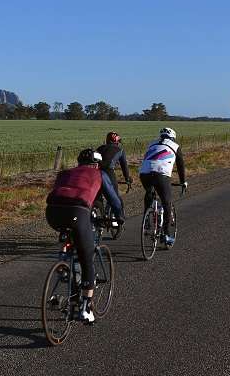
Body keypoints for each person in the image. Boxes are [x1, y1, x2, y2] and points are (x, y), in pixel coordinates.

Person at [45, 148, 124, 323]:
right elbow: (113, 198)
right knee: (87, 258)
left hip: (52, 212)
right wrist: (119, 216)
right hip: (77, 211)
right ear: (96, 164)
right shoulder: (99, 174)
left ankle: (65, 262)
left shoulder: (66, 172)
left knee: (71, 239)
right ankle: (86, 308)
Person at [139, 127, 187, 247]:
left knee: (149, 193)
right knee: (166, 203)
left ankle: (146, 221)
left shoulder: (152, 144)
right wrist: (183, 182)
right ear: (173, 138)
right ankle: (165, 234)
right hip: (161, 175)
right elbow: (181, 167)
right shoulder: (175, 146)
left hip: (144, 174)